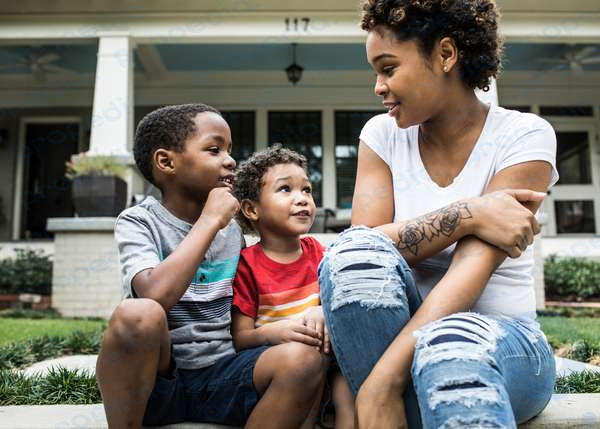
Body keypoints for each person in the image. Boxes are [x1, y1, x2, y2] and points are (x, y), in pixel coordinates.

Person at [319, 1, 558, 428]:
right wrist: (468, 213)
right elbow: (363, 249)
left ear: (446, 55)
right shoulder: (382, 136)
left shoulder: (524, 135)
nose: (378, 86)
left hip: (501, 349)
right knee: (353, 255)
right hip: (390, 342)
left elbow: (472, 267)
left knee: (450, 345)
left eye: (388, 68)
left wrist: (381, 384)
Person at [95, 104, 325, 428]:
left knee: (304, 360)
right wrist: (210, 220)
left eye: (229, 150)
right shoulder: (140, 221)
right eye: (214, 149)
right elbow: (155, 295)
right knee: (138, 313)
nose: (230, 159)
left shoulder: (231, 229)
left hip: (223, 375)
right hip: (161, 378)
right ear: (166, 162)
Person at [231, 145, 355, 429]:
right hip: (282, 372)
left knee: (347, 389)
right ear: (251, 209)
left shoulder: (319, 253)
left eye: (307, 190)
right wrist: (277, 331)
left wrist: (323, 311)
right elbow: (241, 338)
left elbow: (341, 304)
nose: (302, 199)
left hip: (329, 363)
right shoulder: (247, 265)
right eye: (285, 189)